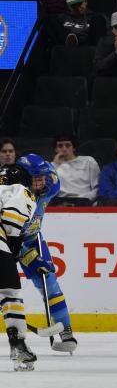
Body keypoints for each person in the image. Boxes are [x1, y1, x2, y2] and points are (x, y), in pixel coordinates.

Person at [12, 155, 77, 352]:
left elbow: (50, 172)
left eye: (43, 177)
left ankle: (66, 331)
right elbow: (10, 237)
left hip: (32, 239)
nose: (41, 182)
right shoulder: (11, 197)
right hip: (7, 242)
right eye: (36, 178)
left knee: (49, 280)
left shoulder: (51, 183)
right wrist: (30, 257)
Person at [0, 166, 39, 370]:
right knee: (10, 293)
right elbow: (12, 219)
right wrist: (13, 247)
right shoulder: (21, 191)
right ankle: (18, 346)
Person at [51, 136, 99, 204]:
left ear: (73, 148)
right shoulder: (50, 166)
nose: (64, 149)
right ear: (56, 149)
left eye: (68, 145)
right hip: (60, 202)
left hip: (84, 201)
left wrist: (86, 199)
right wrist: (55, 165)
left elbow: (97, 188)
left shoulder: (88, 161)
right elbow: (47, 189)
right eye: (60, 146)